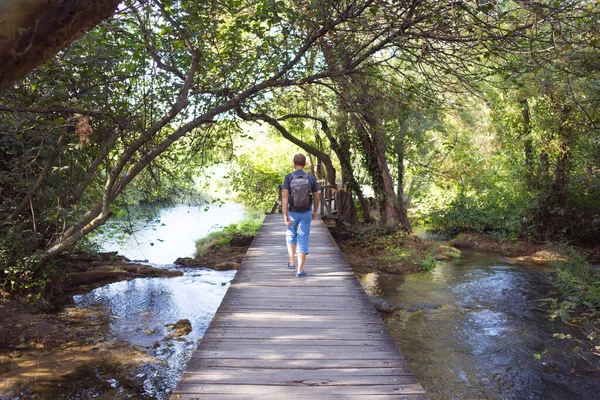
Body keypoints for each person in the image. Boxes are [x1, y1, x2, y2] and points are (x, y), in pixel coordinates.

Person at [281, 154, 320, 277]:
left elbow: (285, 196)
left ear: (294, 163)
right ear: (304, 164)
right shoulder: (310, 178)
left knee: (291, 235)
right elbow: (316, 197)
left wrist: (285, 214)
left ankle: (292, 262)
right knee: (303, 239)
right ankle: (299, 270)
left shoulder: (289, 177)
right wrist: (315, 211)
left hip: (292, 212)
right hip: (306, 212)